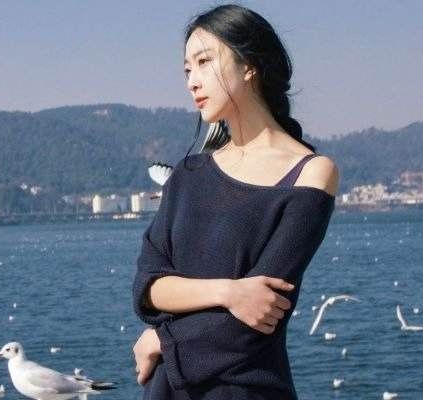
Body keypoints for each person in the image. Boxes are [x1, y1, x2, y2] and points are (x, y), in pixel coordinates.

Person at [132, 4, 339, 400]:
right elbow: (148, 288)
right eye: (187, 70)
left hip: (248, 389)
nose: (192, 81)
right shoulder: (188, 175)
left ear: (249, 66)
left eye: (204, 62)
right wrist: (228, 292)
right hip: (168, 389)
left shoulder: (310, 173)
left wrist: (162, 340)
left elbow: (261, 313)